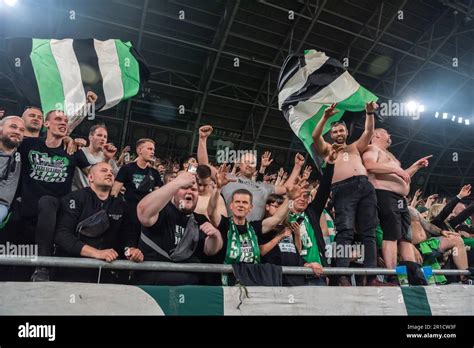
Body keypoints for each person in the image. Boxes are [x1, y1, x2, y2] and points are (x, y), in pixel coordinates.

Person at [312, 102, 382, 286]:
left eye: (341, 131)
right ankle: (341, 275)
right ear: (331, 135)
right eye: (335, 132)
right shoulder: (328, 149)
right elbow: (315, 135)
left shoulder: (355, 147)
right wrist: (325, 117)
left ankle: (372, 277)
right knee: (345, 231)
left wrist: (369, 112)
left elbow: (368, 132)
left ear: (347, 132)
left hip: (364, 187)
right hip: (342, 189)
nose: (338, 134)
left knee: (369, 233)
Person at [207, 165, 306, 285]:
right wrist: (217, 188)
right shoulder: (225, 224)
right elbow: (211, 213)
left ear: (250, 208)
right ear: (231, 206)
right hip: (227, 282)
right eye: (237, 202)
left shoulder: (255, 227)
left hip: (252, 282)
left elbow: (277, 218)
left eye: (245, 203)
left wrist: (289, 198)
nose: (241, 205)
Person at [362, 128, 432, 282]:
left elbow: (403, 176)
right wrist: (396, 169)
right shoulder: (372, 148)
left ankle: (413, 274)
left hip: (400, 198)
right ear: (377, 135)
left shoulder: (390, 156)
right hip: (384, 194)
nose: (390, 135)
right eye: (387, 132)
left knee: (405, 237)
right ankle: (392, 274)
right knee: (392, 234)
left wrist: (416, 166)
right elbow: (369, 165)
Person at [54, 162, 143, 283]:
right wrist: (96, 253)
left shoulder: (121, 204)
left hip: (107, 273)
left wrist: (131, 250)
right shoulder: (74, 198)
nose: (109, 174)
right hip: (72, 271)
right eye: (103, 171)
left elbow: (127, 236)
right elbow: (62, 235)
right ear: (90, 177)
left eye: (112, 172)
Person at [198, 125, 304, 220]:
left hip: (254, 234)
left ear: (255, 167)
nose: (249, 164)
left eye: (252, 162)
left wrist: (297, 167)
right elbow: (204, 166)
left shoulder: (264, 187)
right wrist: (202, 139)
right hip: (231, 230)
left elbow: (286, 188)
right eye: (246, 161)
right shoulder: (227, 178)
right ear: (239, 164)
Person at [135, 171, 223, 285]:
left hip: (188, 291)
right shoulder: (160, 210)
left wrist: (215, 236)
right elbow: (143, 212)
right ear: (174, 190)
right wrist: (177, 182)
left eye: (194, 190)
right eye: (184, 188)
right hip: (153, 289)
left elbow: (210, 250)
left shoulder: (199, 220)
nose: (189, 191)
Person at [111, 138, 163, 246]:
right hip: (128, 214)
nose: (152, 152)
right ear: (140, 150)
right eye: (149, 149)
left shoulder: (155, 173)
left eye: (153, 149)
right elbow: (114, 192)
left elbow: (159, 196)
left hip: (146, 215)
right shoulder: (126, 169)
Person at [408, 206, 469, 283]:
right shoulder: (393, 209)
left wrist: (441, 231)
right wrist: (411, 246)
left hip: (426, 243)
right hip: (407, 245)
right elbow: (395, 233)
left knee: (456, 240)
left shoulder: (412, 209)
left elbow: (427, 225)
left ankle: (465, 278)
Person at [72, 124, 118, 191]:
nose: (102, 139)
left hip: (97, 197)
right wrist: (74, 142)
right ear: (90, 137)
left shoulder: (108, 158)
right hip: (77, 194)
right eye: (99, 135)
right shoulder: (80, 151)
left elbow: (116, 178)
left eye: (105, 137)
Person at [0, 116, 25, 225]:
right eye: (13, 127)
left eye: (21, 130)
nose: (17, 132)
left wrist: (68, 139)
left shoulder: (23, 151)